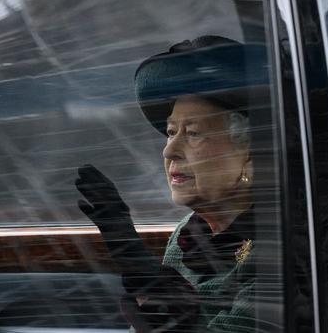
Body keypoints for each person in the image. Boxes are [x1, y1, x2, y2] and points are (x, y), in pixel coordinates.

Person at [75, 36, 268, 332]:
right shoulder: (188, 234)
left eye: (192, 134)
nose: (169, 151)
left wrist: (140, 267)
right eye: (170, 132)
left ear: (249, 151)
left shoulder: (278, 243)